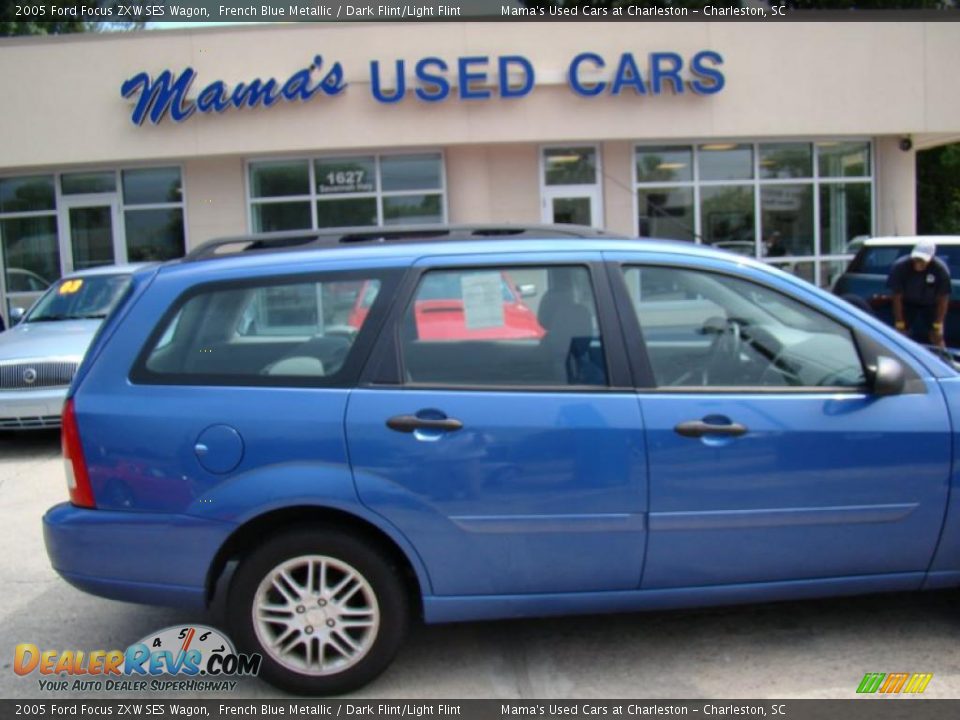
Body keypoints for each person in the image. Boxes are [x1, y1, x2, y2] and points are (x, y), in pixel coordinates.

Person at [887, 239, 951, 347]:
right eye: (916, 258)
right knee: (899, 335)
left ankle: (941, 356)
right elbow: (897, 296)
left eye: (922, 260)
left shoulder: (940, 269)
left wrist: (938, 324)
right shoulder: (900, 267)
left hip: (931, 304)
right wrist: (899, 321)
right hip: (907, 303)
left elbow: (943, 298)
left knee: (937, 336)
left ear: (931, 258)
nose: (918, 262)